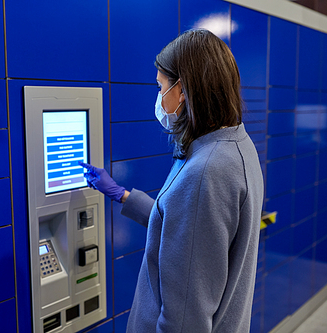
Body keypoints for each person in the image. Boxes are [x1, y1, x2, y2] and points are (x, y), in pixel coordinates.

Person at [80, 29, 264, 332]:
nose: (159, 99)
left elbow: (186, 317)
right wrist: (122, 195)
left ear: (183, 90)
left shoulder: (207, 171)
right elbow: (190, 230)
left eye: (160, 86)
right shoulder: (236, 147)